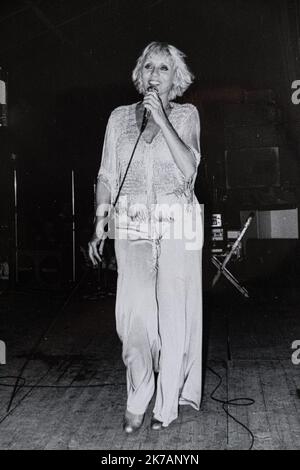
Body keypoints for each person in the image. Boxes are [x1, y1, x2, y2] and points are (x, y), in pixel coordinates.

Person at [88, 41, 203, 432]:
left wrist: (163, 120)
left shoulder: (186, 115)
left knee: (173, 316)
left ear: (176, 78)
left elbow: (189, 168)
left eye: (164, 69)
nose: (155, 74)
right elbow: (106, 174)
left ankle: (166, 404)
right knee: (132, 316)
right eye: (149, 67)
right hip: (132, 220)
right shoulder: (119, 118)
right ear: (141, 74)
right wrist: (101, 218)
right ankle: (140, 391)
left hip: (177, 219)